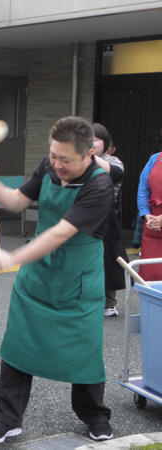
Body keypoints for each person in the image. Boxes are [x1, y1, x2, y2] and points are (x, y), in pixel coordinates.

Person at [0, 117, 114, 445]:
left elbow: (60, 233)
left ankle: (94, 415)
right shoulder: (49, 166)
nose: (56, 164)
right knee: (18, 347)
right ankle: (7, 418)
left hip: (78, 281)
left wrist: (13, 258)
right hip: (38, 278)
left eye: (65, 160)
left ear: (87, 155)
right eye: (53, 156)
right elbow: (17, 201)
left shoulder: (99, 186)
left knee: (85, 352)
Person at [92, 123, 128, 317]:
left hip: (106, 218)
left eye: (96, 139)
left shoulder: (112, 161)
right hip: (82, 218)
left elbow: (115, 174)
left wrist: (89, 156)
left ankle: (109, 303)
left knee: (108, 260)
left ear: (105, 143)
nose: (91, 142)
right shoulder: (79, 161)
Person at [137, 135, 162, 281]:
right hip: (152, 225)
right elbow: (143, 189)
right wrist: (146, 213)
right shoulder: (154, 159)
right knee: (149, 280)